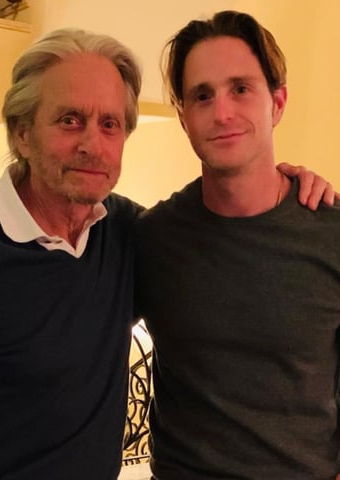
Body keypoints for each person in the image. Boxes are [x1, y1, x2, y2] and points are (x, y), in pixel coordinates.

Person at [0, 28, 335, 480]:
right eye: (70, 120)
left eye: (110, 125)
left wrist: (291, 190)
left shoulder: (129, 234)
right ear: (22, 133)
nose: (92, 145)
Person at [135, 10, 340, 479]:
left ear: (278, 103)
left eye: (241, 89)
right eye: (202, 96)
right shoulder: (151, 238)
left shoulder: (331, 231)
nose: (222, 112)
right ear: (184, 118)